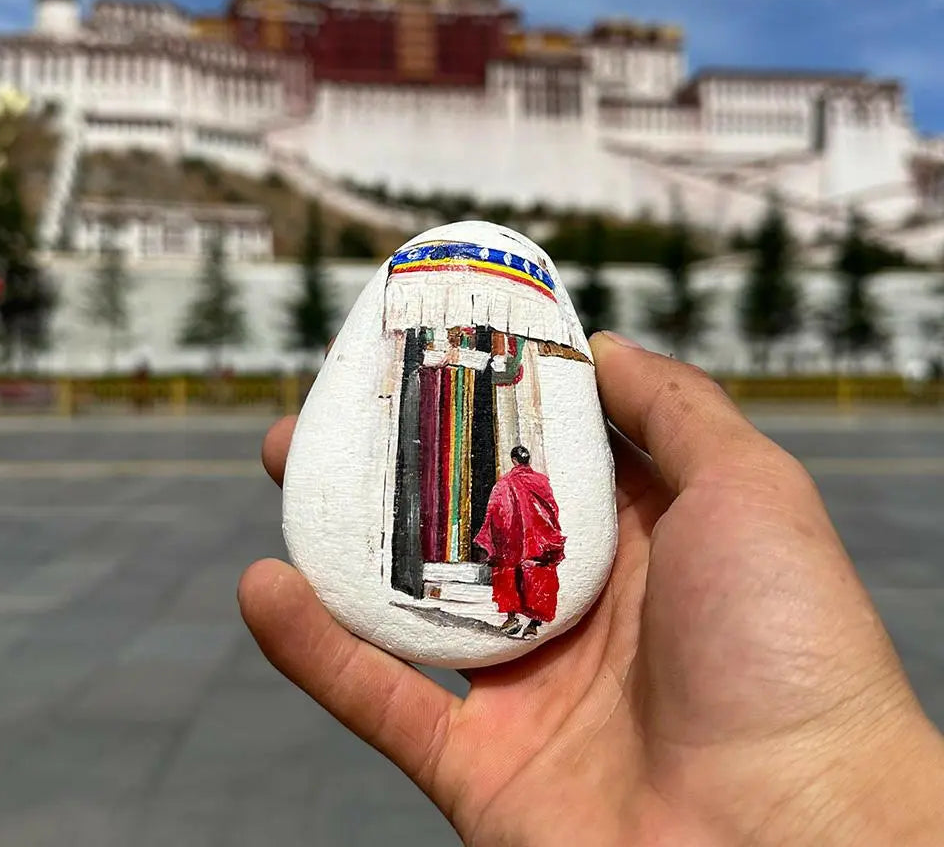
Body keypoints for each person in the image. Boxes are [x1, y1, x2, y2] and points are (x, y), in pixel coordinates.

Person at [239, 332, 944, 846]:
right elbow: (533, 515)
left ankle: (512, 613)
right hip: (537, 558)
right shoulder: (535, 483)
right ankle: (516, 614)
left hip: (519, 558)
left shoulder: (516, 483)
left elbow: (493, 517)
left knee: (521, 595)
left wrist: (490, 545)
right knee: (530, 595)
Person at [473, 445, 565, 638]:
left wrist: (493, 539)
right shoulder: (541, 481)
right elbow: (552, 509)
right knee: (540, 578)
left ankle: (512, 618)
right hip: (539, 539)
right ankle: (533, 625)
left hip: (513, 541)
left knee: (509, 576)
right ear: (527, 460)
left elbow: (496, 512)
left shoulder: (505, 483)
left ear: (514, 460)